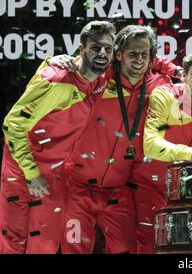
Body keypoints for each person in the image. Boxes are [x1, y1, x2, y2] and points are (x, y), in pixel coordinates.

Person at [54, 25, 176, 254]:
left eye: (144, 54)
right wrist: (57, 60)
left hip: (119, 192)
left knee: (126, 250)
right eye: (132, 54)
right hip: (77, 186)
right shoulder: (98, 77)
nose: (138, 60)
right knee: (74, 250)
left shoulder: (160, 87)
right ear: (118, 55)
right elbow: (71, 67)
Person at [0, 20, 115, 253]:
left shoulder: (100, 80)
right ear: (81, 49)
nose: (102, 53)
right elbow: (12, 124)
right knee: (13, 243)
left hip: (55, 174)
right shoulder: (56, 81)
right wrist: (32, 175)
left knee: (45, 244)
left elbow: (142, 60)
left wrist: (177, 71)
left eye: (108, 48)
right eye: (95, 47)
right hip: (23, 171)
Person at [139, 48, 192, 253]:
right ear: (184, 75)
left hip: (191, 193)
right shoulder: (165, 96)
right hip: (152, 187)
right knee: (150, 246)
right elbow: (150, 145)